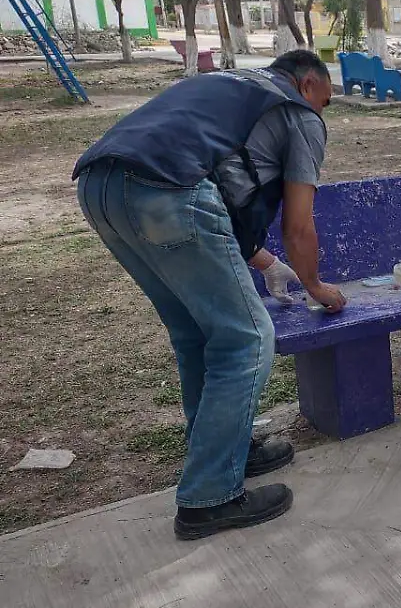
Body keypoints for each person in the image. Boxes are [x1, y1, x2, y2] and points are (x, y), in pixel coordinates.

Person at [72, 50, 347, 541]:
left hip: (100, 186)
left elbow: (220, 182)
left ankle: (226, 453)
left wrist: (267, 264)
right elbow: (299, 226)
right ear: (308, 85)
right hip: (166, 189)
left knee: (198, 332)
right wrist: (314, 286)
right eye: (325, 102)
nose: (322, 114)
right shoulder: (298, 112)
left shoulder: (233, 83)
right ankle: (209, 498)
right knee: (247, 340)